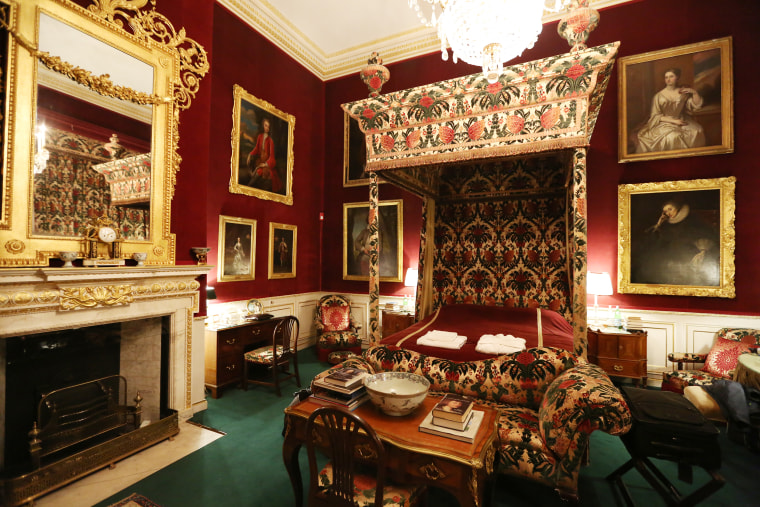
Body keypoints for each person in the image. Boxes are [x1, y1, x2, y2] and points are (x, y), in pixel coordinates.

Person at [636, 199, 719, 286]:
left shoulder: (691, 219)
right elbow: (656, 241)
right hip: (672, 256)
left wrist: (702, 251)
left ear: (678, 208)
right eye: (665, 211)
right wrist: (659, 224)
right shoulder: (667, 225)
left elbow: (705, 234)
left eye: (670, 209)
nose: (668, 213)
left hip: (691, 253)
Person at [635, 68, 706, 154]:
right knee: (674, 136)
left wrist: (694, 93)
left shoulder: (683, 93)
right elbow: (655, 116)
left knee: (697, 130)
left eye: (671, 76)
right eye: (666, 77)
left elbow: (694, 105)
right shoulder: (658, 96)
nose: (668, 79)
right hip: (664, 122)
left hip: (681, 119)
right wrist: (674, 121)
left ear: (677, 77)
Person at [246, 117, 283, 192]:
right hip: (260, 161)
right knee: (253, 167)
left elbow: (272, 158)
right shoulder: (260, 137)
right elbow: (256, 148)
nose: (267, 128)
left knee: (259, 171)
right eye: (266, 125)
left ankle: (248, 187)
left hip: (266, 164)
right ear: (263, 125)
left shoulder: (270, 141)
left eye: (268, 126)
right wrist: (250, 154)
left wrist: (265, 164)